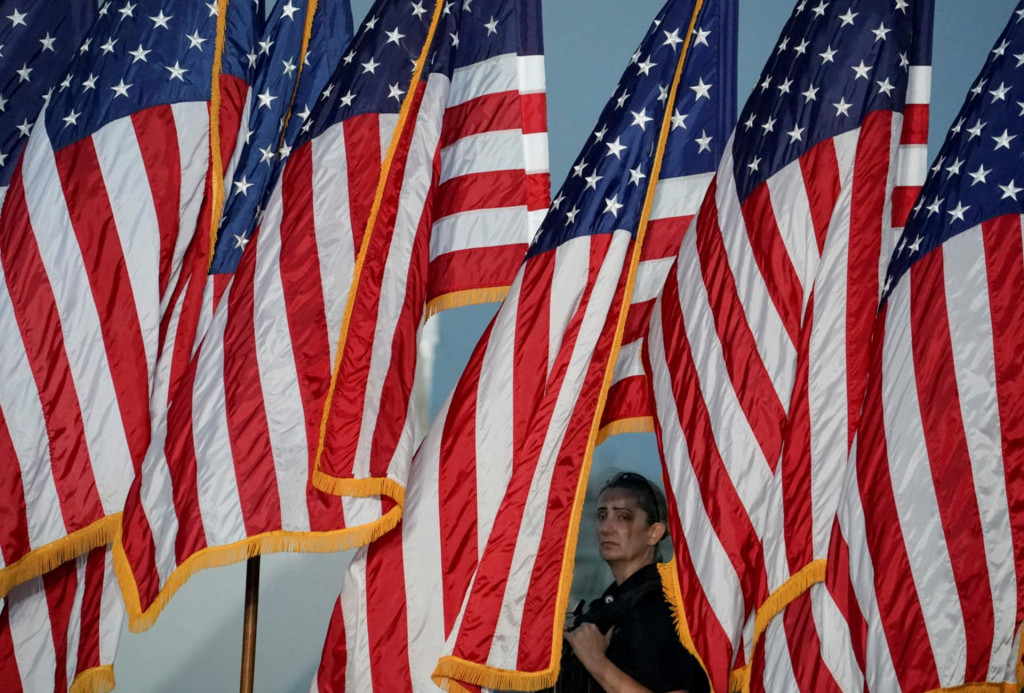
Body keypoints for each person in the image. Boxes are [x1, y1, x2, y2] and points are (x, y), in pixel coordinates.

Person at [558, 472, 709, 693]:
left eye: (623, 517)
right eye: (602, 516)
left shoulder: (664, 607)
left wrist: (596, 661)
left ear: (654, 533)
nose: (606, 528)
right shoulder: (612, 605)